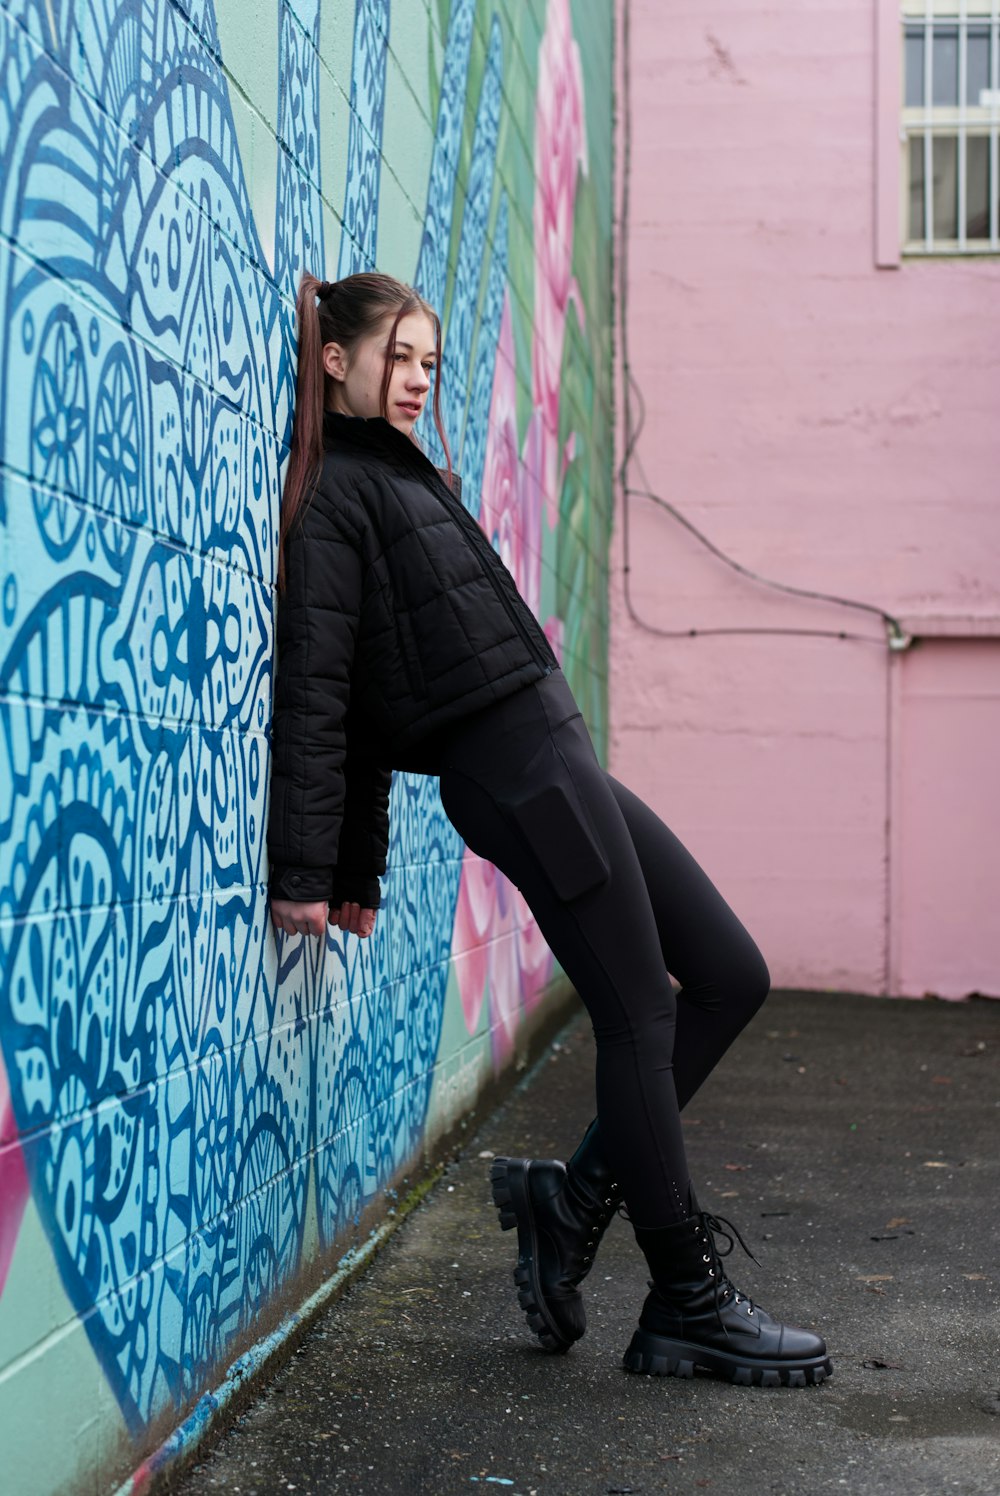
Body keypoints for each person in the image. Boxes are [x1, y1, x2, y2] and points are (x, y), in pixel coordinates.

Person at [267, 270, 832, 1390]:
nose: (421, 376)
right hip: (521, 774)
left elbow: (385, 685)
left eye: (432, 359)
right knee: (637, 1012)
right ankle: (685, 1299)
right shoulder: (339, 498)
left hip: (556, 756)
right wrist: (317, 866)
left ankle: (568, 1203)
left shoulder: (404, 476)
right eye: (402, 355)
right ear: (337, 360)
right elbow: (328, 696)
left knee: (729, 971)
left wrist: (359, 862)